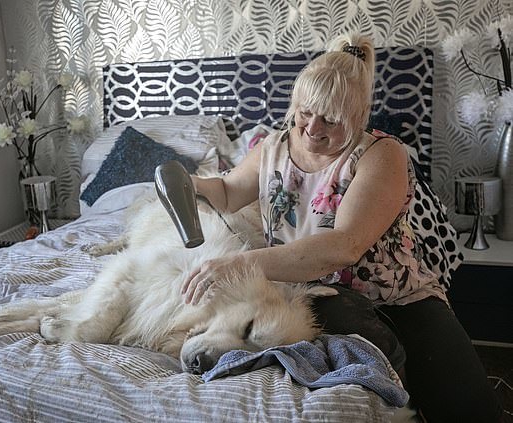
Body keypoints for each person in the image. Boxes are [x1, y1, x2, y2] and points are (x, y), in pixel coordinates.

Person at [181, 32, 503, 422]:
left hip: (397, 297)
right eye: (305, 112)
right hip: (309, 292)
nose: (313, 128)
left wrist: (241, 263)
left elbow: (344, 246)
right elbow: (229, 193)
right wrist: (190, 184)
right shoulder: (272, 147)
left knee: (473, 409)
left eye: (330, 119)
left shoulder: (381, 155)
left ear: (357, 117)